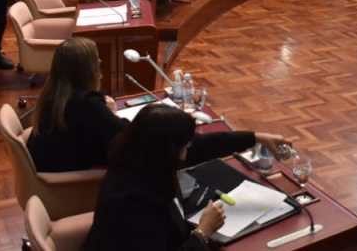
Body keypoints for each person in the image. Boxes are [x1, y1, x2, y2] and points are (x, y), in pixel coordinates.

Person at [83, 103, 292, 251]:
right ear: (168, 150)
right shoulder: (135, 202)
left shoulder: (137, 158)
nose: (189, 149)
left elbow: (204, 146)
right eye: (185, 145)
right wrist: (203, 232)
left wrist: (257, 138)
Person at [27, 38, 126, 172]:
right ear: (87, 69)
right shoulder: (87, 103)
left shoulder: (53, 93)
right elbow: (125, 134)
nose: (100, 62)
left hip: (48, 162)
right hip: (65, 178)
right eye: (96, 59)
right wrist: (112, 112)